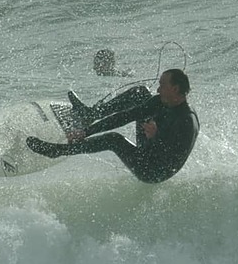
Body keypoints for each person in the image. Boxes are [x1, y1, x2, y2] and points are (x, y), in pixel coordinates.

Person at [27, 69, 199, 184]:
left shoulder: (186, 121)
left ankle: (57, 151)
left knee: (114, 140)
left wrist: (156, 137)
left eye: (163, 85)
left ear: (175, 89)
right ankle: (91, 115)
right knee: (141, 93)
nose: (159, 89)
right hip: (150, 145)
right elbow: (125, 117)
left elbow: (170, 159)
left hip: (153, 170)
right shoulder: (161, 102)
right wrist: (86, 132)